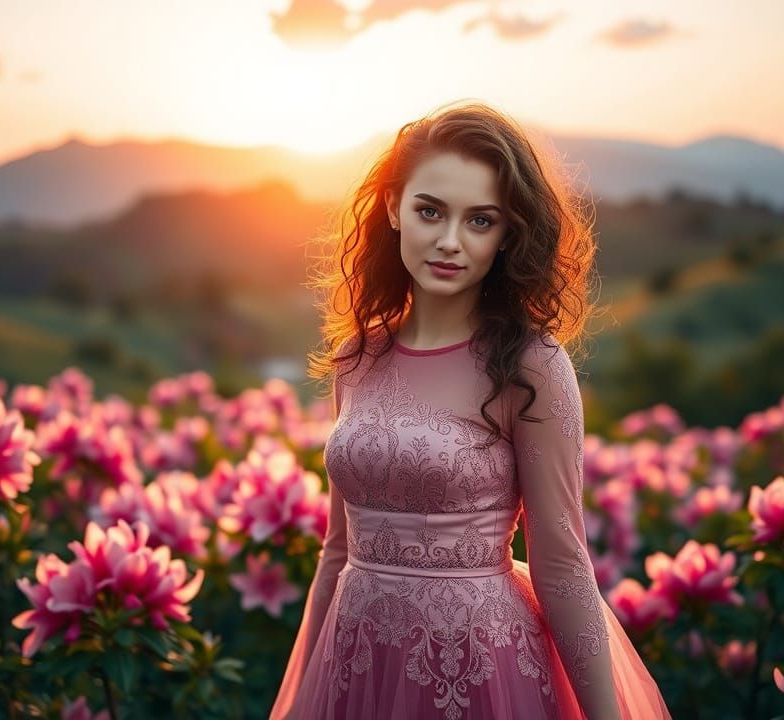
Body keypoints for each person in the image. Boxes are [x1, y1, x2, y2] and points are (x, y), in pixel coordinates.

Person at [269, 100, 671, 719]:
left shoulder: (531, 365)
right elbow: (337, 552)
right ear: (393, 207)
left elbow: (561, 565)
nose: (450, 241)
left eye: (480, 220)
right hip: (355, 672)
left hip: (481, 673)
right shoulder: (357, 357)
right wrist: (297, 700)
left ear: (508, 234)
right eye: (430, 211)